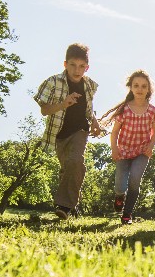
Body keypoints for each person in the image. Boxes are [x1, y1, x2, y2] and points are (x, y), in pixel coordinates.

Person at [33, 43, 104, 220]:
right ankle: (72, 207)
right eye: (72, 65)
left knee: (75, 161)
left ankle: (64, 206)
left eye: (81, 66)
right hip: (59, 134)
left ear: (87, 67)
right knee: (68, 169)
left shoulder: (88, 85)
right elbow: (44, 110)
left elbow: (88, 109)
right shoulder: (53, 82)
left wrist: (95, 123)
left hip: (80, 130)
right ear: (65, 64)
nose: (77, 70)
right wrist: (63, 104)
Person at [101, 70, 155, 224]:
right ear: (131, 88)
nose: (140, 89)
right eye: (136, 86)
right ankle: (119, 196)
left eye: (143, 86)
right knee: (120, 186)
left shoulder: (153, 111)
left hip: (141, 152)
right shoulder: (124, 110)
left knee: (135, 179)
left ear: (148, 90)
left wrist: (150, 146)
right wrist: (114, 149)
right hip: (123, 151)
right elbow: (114, 133)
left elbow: (154, 134)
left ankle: (127, 215)